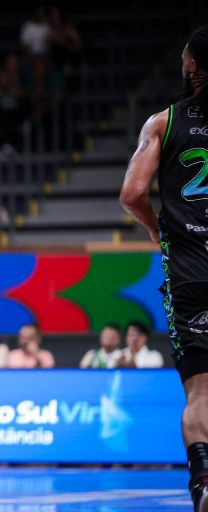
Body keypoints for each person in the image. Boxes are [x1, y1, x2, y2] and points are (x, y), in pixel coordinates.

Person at [118, 26, 208, 509]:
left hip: (191, 271)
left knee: (200, 393)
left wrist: (157, 229)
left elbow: (132, 194)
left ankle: (204, 482)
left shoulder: (164, 122)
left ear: (190, 65)